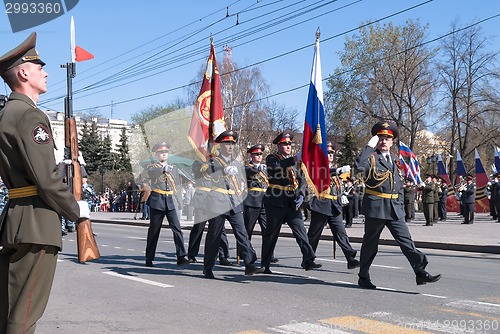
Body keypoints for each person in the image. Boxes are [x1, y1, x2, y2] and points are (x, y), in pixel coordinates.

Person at [0, 32, 90, 333]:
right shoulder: (29, 115)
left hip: (16, 218)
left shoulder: (6, 114)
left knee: (10, 311)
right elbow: (46, 179)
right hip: (37, 224)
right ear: (24, 72)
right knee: (25, 315)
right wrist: (78, 212)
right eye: (40, 67)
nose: (46, 72)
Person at [355, 120, 441, 289]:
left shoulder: (396, 160)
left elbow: (399, 186)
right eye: (380, 137)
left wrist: (401, 207)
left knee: (406, 241)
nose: (384, 140)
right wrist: (368, 147)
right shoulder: (371, 158)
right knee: (370, 245)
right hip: (376, 208)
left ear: (392, 141)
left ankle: (420, 272)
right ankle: (363, 276)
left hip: (394, 208)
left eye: (387, 138)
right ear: (376, 140)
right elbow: (358, 166)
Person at [198, 130, 264, 279]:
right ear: (221, 145)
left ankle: (249, 264)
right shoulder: (214, 160)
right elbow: (206, 169)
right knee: (214, 236)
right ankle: (207, 267)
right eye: (227, 143)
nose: (230, 146)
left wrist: (254, 170)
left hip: (234, 203)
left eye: (232, 143)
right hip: (217, 202)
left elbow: (244, 170)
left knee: (242, 234)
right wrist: (223, 169)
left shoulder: (235, 162)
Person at [261, 131, 320, 273]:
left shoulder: (295, 163)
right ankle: (265, 264)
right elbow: (275, 168)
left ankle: (308, 260)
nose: (288, 146)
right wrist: (294, 159)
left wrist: (300, 194)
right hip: (276, 200)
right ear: (278, 145)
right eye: (285, 144)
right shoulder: (272, 158)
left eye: (289, 144)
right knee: (271, 234)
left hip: (292, 201)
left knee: (300, 231)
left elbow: (302, 179)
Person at [307, 142, 359, 270]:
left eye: (332, 153)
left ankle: (350, 258)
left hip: (334, 205)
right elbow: (323, 174)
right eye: (328, 153)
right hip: (321, 205)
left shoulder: (335, 168)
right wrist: (337, 171)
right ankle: (307, 259)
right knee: (314, 235)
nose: (330, 155)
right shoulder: (317, 166)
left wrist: (343, 194)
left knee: (341, 232)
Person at [145, 141, 190, 267]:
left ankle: (181, 256)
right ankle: (149, 257)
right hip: (157, 200)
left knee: (177, 229)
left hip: (171, 201)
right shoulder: (152, 167)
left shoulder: (174, 168)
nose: (164, 154)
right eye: (161, 152)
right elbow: (152, 174)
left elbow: (177, 186)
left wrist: (180, 202)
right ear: (156, 154)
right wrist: (163, 170)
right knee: (154, 231)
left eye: (165, 152)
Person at [187, 160, 231, 265]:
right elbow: (196, 169)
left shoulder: (221, 163)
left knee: (220, 229)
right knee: (199, 228)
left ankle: (223, 255)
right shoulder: (199, 162)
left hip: (216, 198)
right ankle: (192, 254)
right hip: (202, 197)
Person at [242, 144, 277, 263]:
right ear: (251, 155)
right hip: (252, 202)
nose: (259, 156)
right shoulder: (247, 167)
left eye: (260, 154)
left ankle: (268, 254)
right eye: (256, 154)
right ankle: (243, 253)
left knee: (267, 230)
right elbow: (250, 172)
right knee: (247, 230)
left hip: (264, 202)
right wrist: (258, 169)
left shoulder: (265, 169)